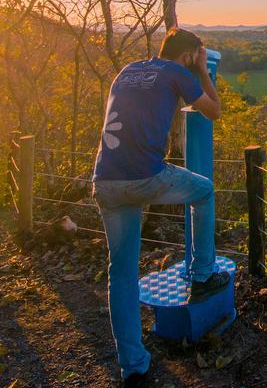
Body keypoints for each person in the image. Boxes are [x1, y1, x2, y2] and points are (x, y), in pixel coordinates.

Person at [92, 28, 231, 387]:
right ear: (188, 55)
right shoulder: (179, 72)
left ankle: (133, 367)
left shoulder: (127, 71)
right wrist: (201, 70)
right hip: (146, 177)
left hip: (105, 180)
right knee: (204, 192)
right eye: (195, 57)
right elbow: (213, 111)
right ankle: (202, 274)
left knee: (120, 273)